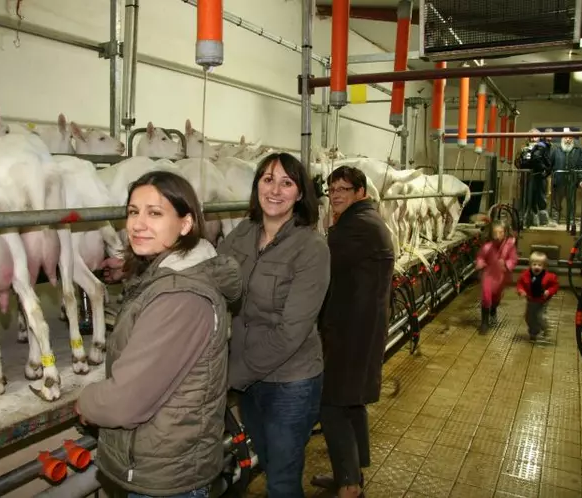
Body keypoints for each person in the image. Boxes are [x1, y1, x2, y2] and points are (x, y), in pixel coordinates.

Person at [74, 171, 242, 498]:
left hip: (167, 475)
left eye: (154, 213)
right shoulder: (179, 273)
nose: (137, 223)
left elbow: (127, 401)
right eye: (133, 212)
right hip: (168, 457)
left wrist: (87, 401)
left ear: (185, 223)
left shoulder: (179, 296)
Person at [217, 152, 330, 497]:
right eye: (268, 180)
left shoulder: (311, 248)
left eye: (287, 182)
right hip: (250, 381)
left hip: (290, 383)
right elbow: (213, 279)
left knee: (282, 479)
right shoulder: (241, 234)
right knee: (266, 460)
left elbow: (291, 332)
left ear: (300, 193)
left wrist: (235, 375)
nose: (275, 190)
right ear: (257, 188)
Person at [310, 166, 394, 498]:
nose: (337, 196)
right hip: (363, 330)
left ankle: (348, 484)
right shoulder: (367, 221)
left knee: (331, 403)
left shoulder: (353, 227)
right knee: (352, 401)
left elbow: (321, 269)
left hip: (349, 333)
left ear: (361, 192)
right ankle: (353, 473)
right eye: (333, 190)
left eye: (345, 189)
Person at [475, 219, 518, 333]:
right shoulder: (487, 246)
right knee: (486, 295)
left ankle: (493, 308)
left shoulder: (509, 246)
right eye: (495, 233)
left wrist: (507, 265)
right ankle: (484, 322)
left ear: (505, 232)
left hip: (500, 277)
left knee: (496, 298)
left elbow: (513, 259)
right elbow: (481, 257)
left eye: (500, 232)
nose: (497, 236)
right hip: (488, 275)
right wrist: (480, 263)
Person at [517, 251, 559, 341]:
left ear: (544, 267)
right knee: (529, 317)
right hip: (531, 300)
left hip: (542, 301)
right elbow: (520, 284)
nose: (536, 267)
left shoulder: (549, 276)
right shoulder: (525, 275)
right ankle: (533, 332)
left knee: (540, 316)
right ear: (530, 265)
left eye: (539, 265)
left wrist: (549, 291)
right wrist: (521, 291)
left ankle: (545, 328)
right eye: (534, 264)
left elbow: (555, 285)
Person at [518, 129, 552, 227]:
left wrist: (544, 169)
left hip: (540, 176)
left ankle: (543, 220)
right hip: (526, 176)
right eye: (531, 136)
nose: (533, 138)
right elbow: (518, 161)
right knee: (526, 197)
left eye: (535, 136)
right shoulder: (523, 148)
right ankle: (527, 219)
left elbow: (547, 161)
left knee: (541, 197)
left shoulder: (543, 147)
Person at [550, 133, 582, 227]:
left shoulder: (578, 150)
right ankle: (554, 220)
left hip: (572, 180)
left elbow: (580, 166)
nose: (568, 140)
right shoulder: (556, 149)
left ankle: (571, 220)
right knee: (556, 202)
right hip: (558, 180)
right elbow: (550, 164)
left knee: (571, 202)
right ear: (562, 139)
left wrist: (581, 179)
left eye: (570, 138)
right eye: (566, 137)